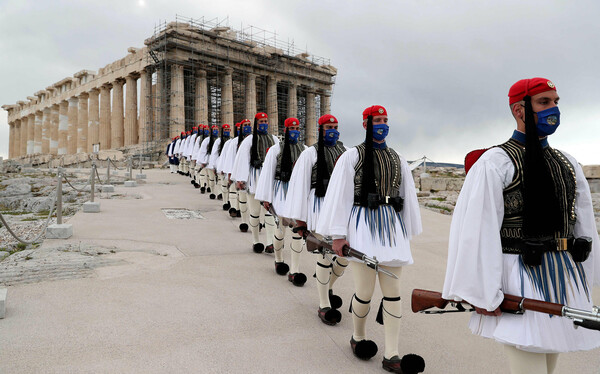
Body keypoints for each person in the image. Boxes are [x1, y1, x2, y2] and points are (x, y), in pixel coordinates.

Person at [442, 78, 600, 374]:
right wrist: (483, 291)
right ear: (519, 110)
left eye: (556, 101)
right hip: (520, 275)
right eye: (544, 102)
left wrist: (587, 277)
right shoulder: (496, 161)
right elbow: (478, 230)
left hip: (564, 276)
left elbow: (584, 224)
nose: (553, 109)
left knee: (549, 363)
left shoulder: (567, 162)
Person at [316, 105, 423, 373]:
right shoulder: (352, 156)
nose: (383, 124)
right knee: (364, 292)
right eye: (377, 120)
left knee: (393, 294)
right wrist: (339, 236)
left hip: (391, 228)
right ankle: (359, 337)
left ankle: (392, 353)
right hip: (363, 225)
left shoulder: (398, 157)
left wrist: (407, 231)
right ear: (366, 124)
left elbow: (406, 194)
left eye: (385, 120)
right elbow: (341, 196)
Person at [283, 114, 349, 323]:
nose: (333, 130)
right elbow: (300, 186)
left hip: (339, 207)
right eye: (329, 127)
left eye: (336, 127)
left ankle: (327, 286)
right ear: (320, 129)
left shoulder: (345, 151)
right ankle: (324, 304)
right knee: (324, 254)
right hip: (318, 207)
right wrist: (300, 221)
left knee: (344, 257)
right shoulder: (309, 154)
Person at [255, 117, 307, 283]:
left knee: (298, 231)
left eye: (297, 128)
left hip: (297, 191)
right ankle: (278, 260)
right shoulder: (275, 150)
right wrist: (265, 198)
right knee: (282, 228)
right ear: (286, 130)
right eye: (292, 128)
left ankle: (295, 270)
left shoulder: (305, 149)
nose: (295, 131)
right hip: (280, 191)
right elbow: (267, 173)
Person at [231, 112, 279, 253]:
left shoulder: (275, 139)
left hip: (269, 180)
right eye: (261, 121)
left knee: (270, 212)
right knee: (255, 212)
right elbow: (243, 160)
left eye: (266, 121)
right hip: (255, 178)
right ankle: (256, 240)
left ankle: (270, 242)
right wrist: (241, 179)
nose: (264, 124)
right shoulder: (249, 140)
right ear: (256, 124)